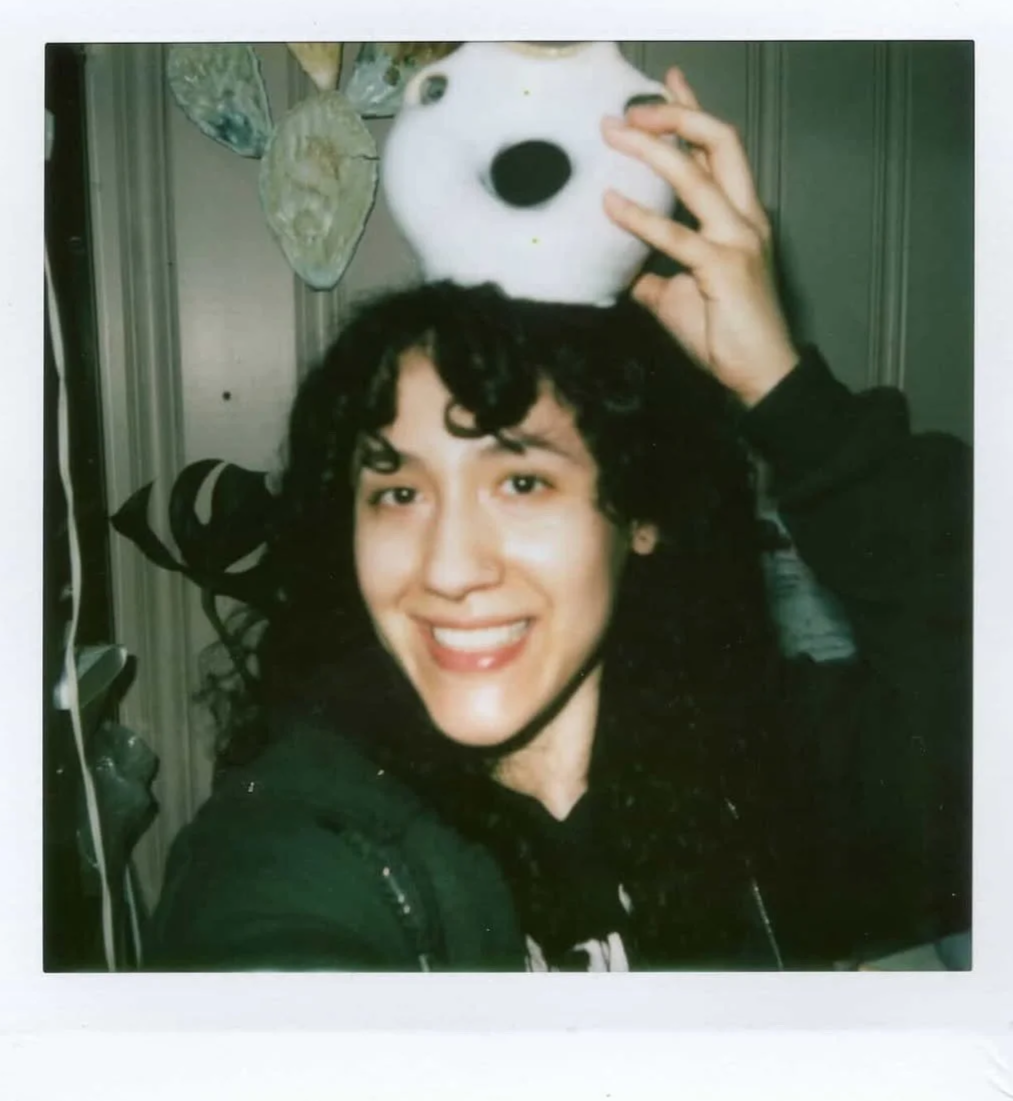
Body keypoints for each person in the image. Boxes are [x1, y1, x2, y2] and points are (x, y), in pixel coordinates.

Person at [149, 70, 970, 971]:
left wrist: (790, 397)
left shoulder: (770, 765)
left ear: (640, 513)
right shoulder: (304, 845)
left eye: (521, 483)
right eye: (398, 490)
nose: (448, 568)